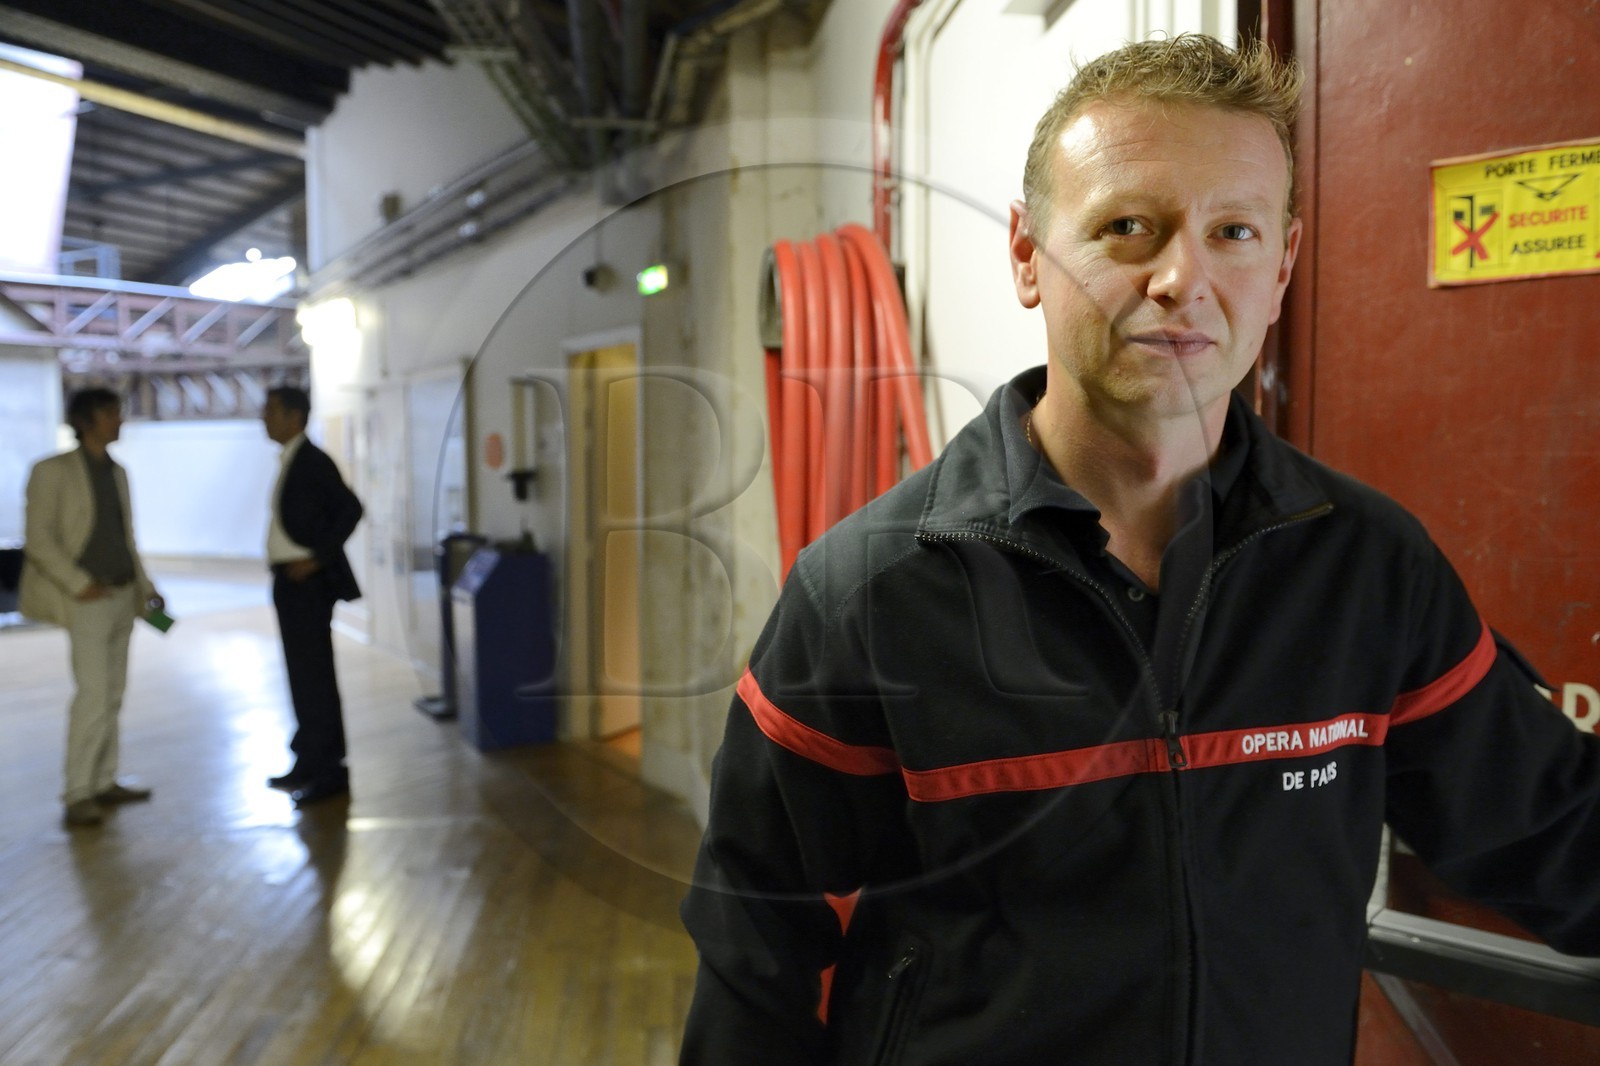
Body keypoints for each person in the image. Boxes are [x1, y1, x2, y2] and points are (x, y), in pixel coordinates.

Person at [678, 34, 1600, 1065]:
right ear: (1027, 255)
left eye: (1233, 231)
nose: (1181, 277)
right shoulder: (868, 594)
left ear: (1283, 261)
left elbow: (1550, 829)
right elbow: (756, 958)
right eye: (1127, 227)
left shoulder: (1367, 569)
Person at [21, 388, 163, 828]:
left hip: (123, 596)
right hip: (87, 599)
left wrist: (148, 590)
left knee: (113, 694)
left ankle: (104, 780)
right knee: (93, 696)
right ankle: (77, 791)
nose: (119, 419)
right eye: (110, 413)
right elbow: (40, 539)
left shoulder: (118, 472)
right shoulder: (51, 471)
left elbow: (127, 539)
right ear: (85, 420)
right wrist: (79, 584)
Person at [261, 385, 364, 807]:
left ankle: (327, 770)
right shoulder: (295, 459)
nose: (263, 419)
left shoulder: (312, 461)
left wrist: (317, 560)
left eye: (270, 411)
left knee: (314, 676)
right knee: (302, 676)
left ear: (294, 417)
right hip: (291, 581)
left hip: (306, 583)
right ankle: (308, 760)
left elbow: (351, 509)